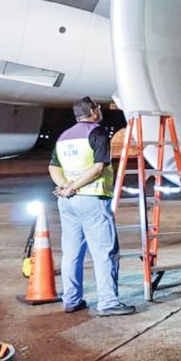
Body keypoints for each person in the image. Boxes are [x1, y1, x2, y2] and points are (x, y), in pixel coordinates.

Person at [48, 97, 135, 316]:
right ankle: (108, 302)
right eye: (98, 108)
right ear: (93, 112)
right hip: (92, 198)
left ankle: (71, 299)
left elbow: (53, 167)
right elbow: (98, 168)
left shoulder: (64, 137)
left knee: (72, 253)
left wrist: (65, 187)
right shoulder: (97, 133)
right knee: (104, 252)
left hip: (67, 202)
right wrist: (74, 186)